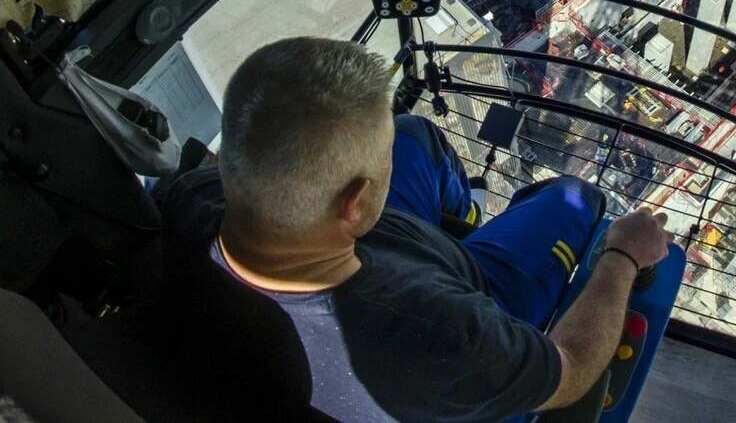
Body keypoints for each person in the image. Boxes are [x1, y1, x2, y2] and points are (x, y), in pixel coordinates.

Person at [158, 37, 676, 422]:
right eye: (378, 161)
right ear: (356, 202)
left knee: (413, 134)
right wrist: (622, 258)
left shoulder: (190, 199)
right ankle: (474, 224)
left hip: (372, 247)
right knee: (575, 197)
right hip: (465, 287)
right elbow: (572, 371)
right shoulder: (447, 336)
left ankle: (464, 214)